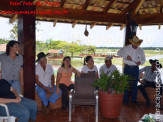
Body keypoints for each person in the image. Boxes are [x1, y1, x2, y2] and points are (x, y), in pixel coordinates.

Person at [117, 36, 146, 105]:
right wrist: (126, 56)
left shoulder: (141, 50)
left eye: (137, 44)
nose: (136, 45)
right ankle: (125, 101)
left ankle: (134, 100)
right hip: (127, 68)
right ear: (132, 42)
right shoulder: (126, 48)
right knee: (126, 84)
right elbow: (118, 53)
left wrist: (140, 62)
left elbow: (143, 59)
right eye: (135, 43)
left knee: (134, 85)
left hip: (135, 69)